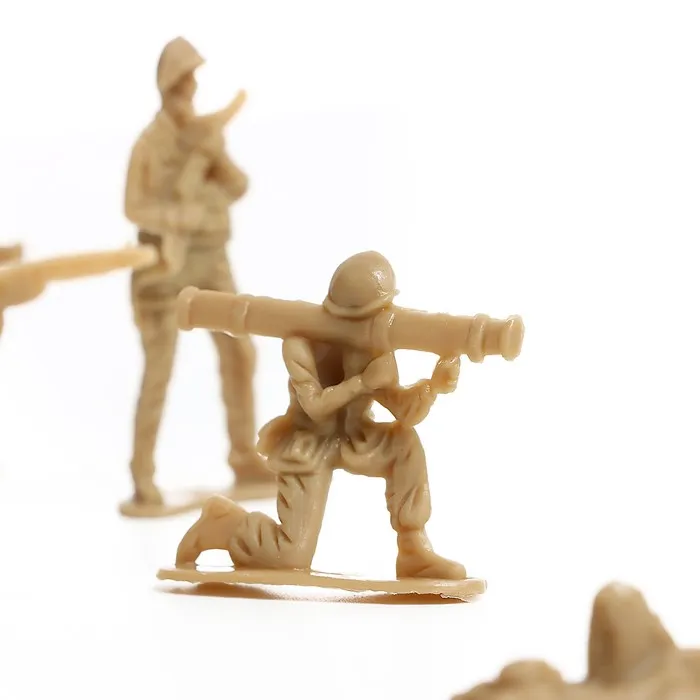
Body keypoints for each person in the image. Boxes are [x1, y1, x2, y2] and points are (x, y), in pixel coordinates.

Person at [175, 251, 467, 580]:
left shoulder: (375, 345)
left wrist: (433, 387)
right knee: (290, 555)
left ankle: (414, 549)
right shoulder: (301, 343)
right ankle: (224, 525)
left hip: (356, 437)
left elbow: (400, 410)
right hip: (308, 441)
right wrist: (362, 382)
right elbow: (314, 406)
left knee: (404, 443)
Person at [124, 37, 272, 507]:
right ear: (168, 86)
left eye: (192, 81)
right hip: (165, 268)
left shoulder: (205, 134)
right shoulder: (149, 144)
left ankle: (245, 456)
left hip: (213, 261)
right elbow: (134, 206)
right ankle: (142, 472)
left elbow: (240, 185)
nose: (190, 89)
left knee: (240, 353)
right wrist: (178, 216)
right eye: (183, 81)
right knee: (160, 369)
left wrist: (213, 154)